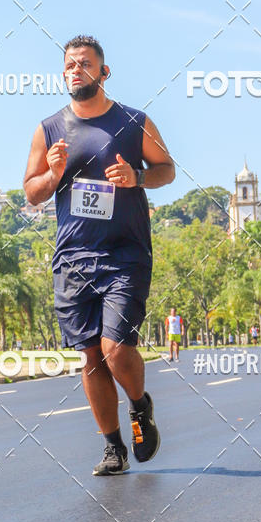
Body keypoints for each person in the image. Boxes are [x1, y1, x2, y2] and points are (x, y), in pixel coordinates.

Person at [23, 35, 175, 476]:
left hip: (124, 254)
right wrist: (52, 174)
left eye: (85, 64)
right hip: (72, 258)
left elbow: (167, 170)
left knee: (115, 347)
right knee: (90, 357)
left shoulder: (133, 121)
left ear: (103, 73)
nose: (76, 70)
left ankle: (139, 406)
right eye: (70, 65)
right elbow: (31, 193)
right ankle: (113, 448)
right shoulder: (49, 129)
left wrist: (137, 177)